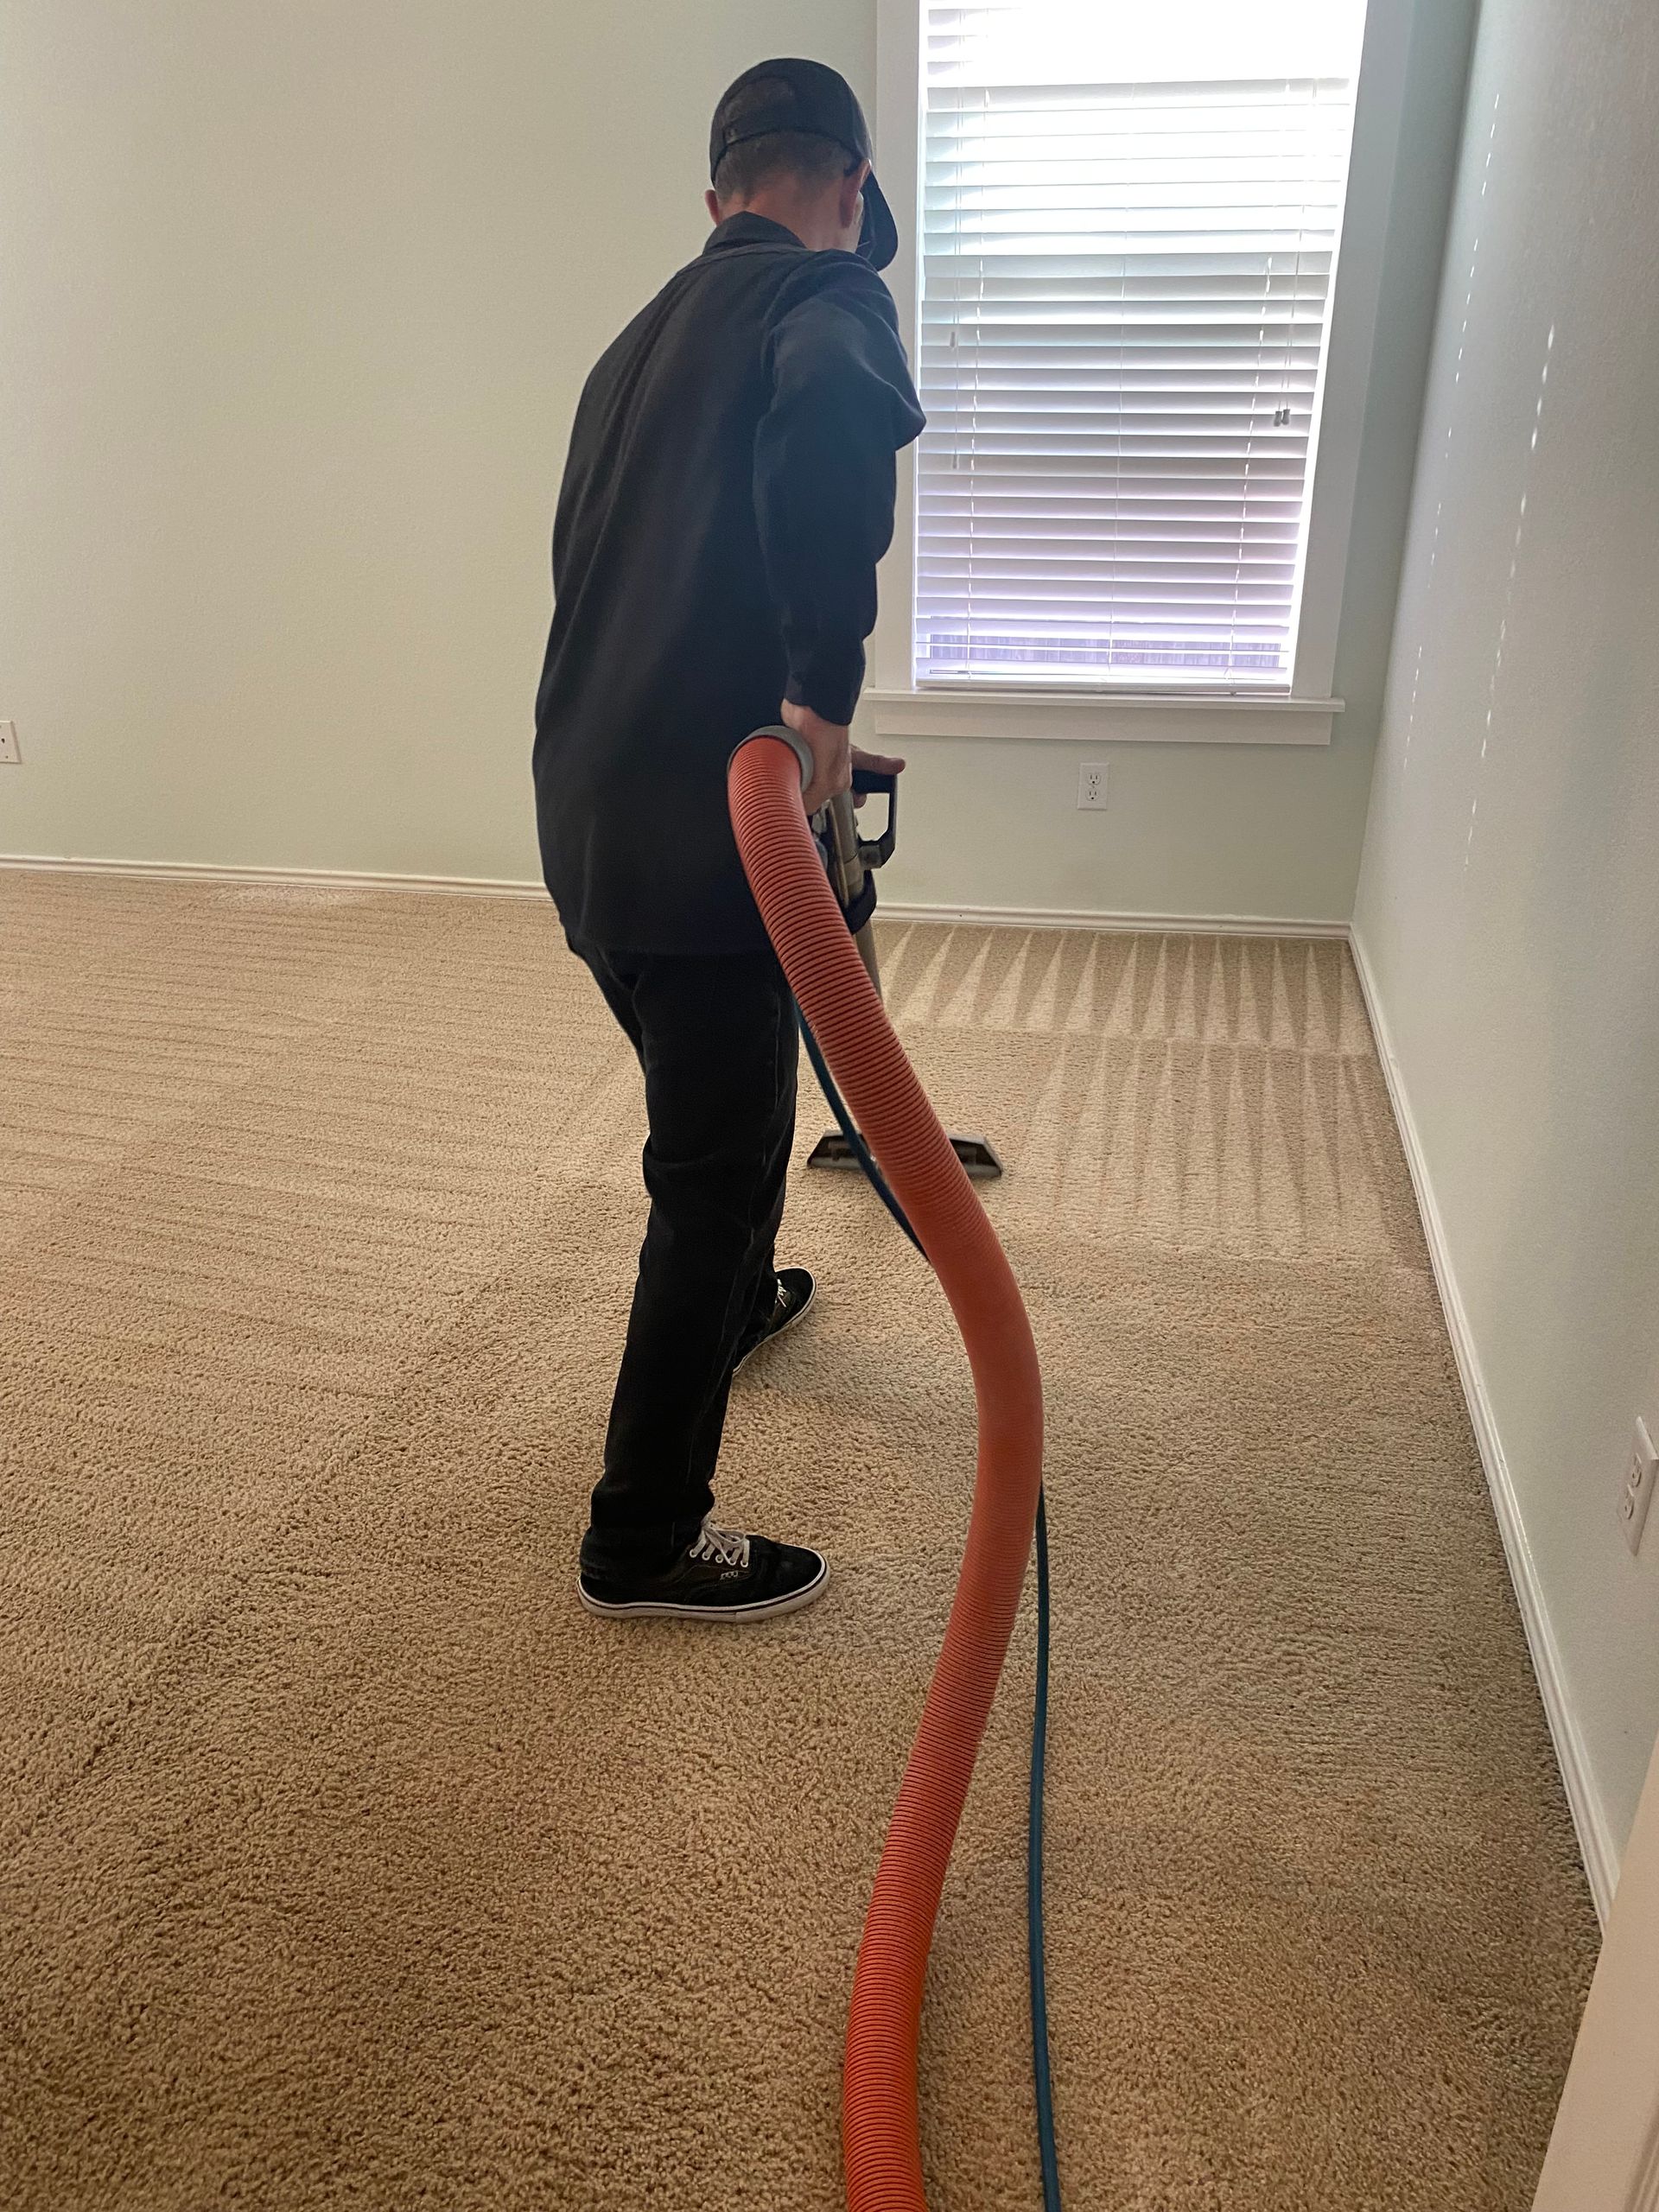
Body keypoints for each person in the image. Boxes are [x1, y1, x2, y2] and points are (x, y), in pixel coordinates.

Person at [533, 59, 925, 1622]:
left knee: (718, 1117)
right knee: (714, 1165)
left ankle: (737, 1305)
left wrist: (787, 726)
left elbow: (643, 586)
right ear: (847, 192)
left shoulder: (632, 348)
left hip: (590, 822)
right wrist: (819, 700)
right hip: (710, 852)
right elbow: (834, 416)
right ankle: (641, 1538)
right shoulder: (824, 300)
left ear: (716, 198)